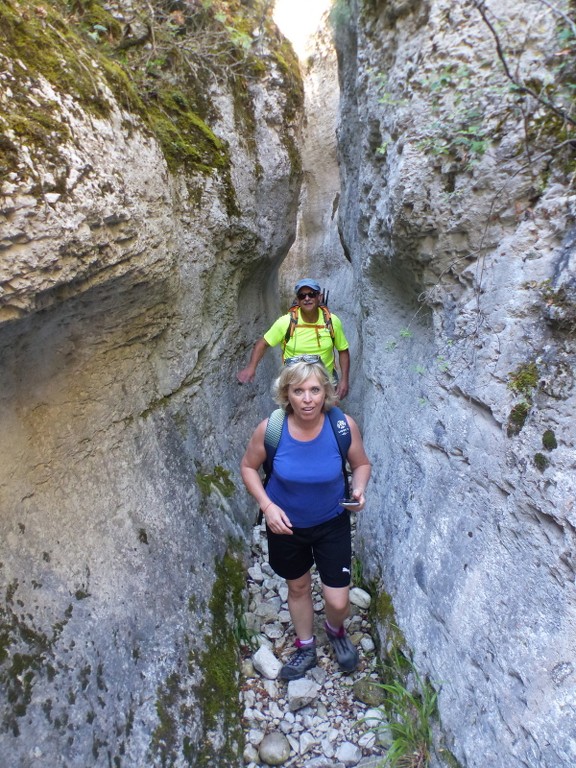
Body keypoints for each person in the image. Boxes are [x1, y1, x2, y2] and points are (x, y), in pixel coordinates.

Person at [240, 357, 371, 680]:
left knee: (338, 601)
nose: (308, 399)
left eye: (314, 390)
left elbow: (362, 464)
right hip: (285, 526)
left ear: (326, 392)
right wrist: (267, 507)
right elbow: (248, 467)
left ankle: (335, 628)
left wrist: (358, 489)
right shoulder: (271, 429)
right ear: (287, 394)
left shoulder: (342, 426)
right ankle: (306, 645)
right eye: (299, 391)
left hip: (331, 522)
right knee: (297, 587)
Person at [237, 279, 351, 399]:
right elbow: (263, 343)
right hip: (294, 384)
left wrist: (344, 380)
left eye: (311, 294)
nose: (307, 298)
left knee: (329, 416)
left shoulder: (332, 321)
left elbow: (343, 350)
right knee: (292, 417)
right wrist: (251, 368)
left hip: (325, 383)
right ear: (297, 300)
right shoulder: (285, 322)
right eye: (302, 296)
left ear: (320, 297)